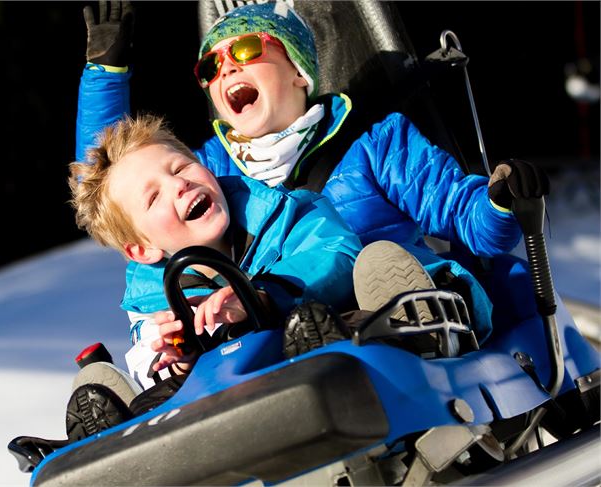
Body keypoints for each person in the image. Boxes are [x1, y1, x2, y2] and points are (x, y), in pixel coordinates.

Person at [75, 2, 549, 345]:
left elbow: (468, 220)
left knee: (374, 261)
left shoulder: (377, 141)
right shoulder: (213, 171)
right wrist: (105, 72)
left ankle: (409, 328)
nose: (224, 70)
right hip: (284, 328)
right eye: (210, 66)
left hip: (404, 304)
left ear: (299, 71)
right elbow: (117, 191)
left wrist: (502, 199)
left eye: (243, 49)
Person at [69, 113, 361, 389]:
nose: (179, 183)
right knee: (159, 390)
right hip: (227, 391)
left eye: (181, 167)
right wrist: (180, 357)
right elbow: (147, 353)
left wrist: (261, 296)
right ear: (143, 250)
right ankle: (111, 414)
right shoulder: (150, 299)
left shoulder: (288, 211)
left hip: (325, 341)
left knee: (356, 306)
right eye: (154, 196)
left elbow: (338, 254)